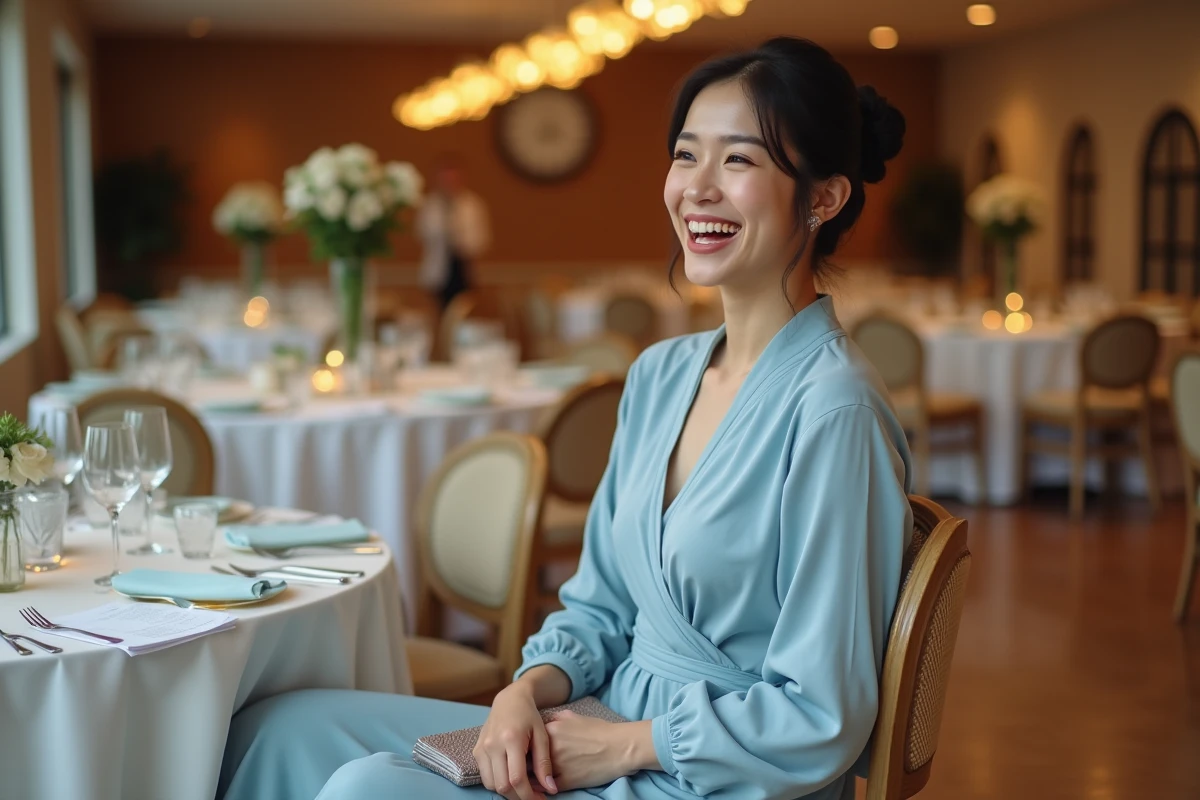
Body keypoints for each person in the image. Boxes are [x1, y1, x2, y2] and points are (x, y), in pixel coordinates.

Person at [218, 36, 911, 800]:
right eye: (686, 156)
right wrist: (525, 691)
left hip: (710, 770)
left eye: (739, 161)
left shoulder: (835, 411)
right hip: (596, 716)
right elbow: (601, 605)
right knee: (276, 731)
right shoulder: (660, 374)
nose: (697, 188)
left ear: (823, 198)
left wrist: (627, 746)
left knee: (365, 788)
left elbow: (824, 713)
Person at [417, 154, 491, 309]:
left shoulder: (472, 205)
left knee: (463, 312)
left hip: (464, 271)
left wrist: (459, 235)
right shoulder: (430, 205)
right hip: (438, 272)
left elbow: (481, 241)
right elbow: (423, 233)